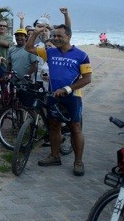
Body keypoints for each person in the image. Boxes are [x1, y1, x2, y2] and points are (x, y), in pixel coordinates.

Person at [25, 23, 92, 177]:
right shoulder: (50, 52)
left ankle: (78, 161)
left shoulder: (81, 55)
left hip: (73, 97)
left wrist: (67, 89)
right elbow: (28, 48)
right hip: (54, 95)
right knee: (54, 125)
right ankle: (55, 156)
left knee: (75, 127)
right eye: (54, 36)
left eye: (59, 36)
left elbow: (88, 79)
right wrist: (35, 33)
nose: (55, 38)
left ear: (68, 36)